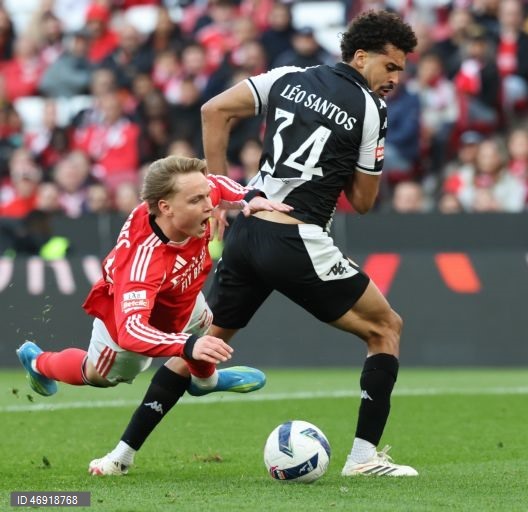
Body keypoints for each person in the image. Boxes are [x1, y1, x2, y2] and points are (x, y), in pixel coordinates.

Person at [94, 9, 419, 478]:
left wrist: (217, 196)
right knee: (386, 328)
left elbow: (213, 110)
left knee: (199, 348)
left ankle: (119, 456)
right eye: (390, 66)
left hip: (247, 232)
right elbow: (363, 201)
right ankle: (364, 459)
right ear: (361, 56)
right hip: (297, 234)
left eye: (401, 70)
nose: (395, 78)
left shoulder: (288, 77)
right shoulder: (372, 110)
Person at [16, 155, 292, 474]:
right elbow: (133, 328)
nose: (208, 205)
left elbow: (216, 184)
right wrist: (185, 347)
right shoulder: (144, 263)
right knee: (99, 375)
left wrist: (249, 197)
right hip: (126, 323)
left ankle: (205, 380)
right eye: (197, 199)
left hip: (180, 299)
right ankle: (39, 363)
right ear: (165, 208)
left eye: (205, 197)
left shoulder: (190, 201)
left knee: (203, 323)